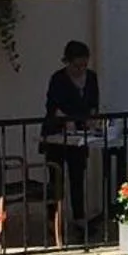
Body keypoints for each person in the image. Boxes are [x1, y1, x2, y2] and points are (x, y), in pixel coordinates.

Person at [42, 40, 102, 237]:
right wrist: (65, 121)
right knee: (56, 179)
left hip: (80, 135)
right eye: (76, 65)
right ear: (67, 62)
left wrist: (91, 121)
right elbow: (53, 106)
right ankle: (53, 220)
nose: (80, 69)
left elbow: (93, 104)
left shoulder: (91, 78)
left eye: (84, 65)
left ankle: (79, 218)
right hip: (57, 136)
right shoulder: (58, 79)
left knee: (77, 177)